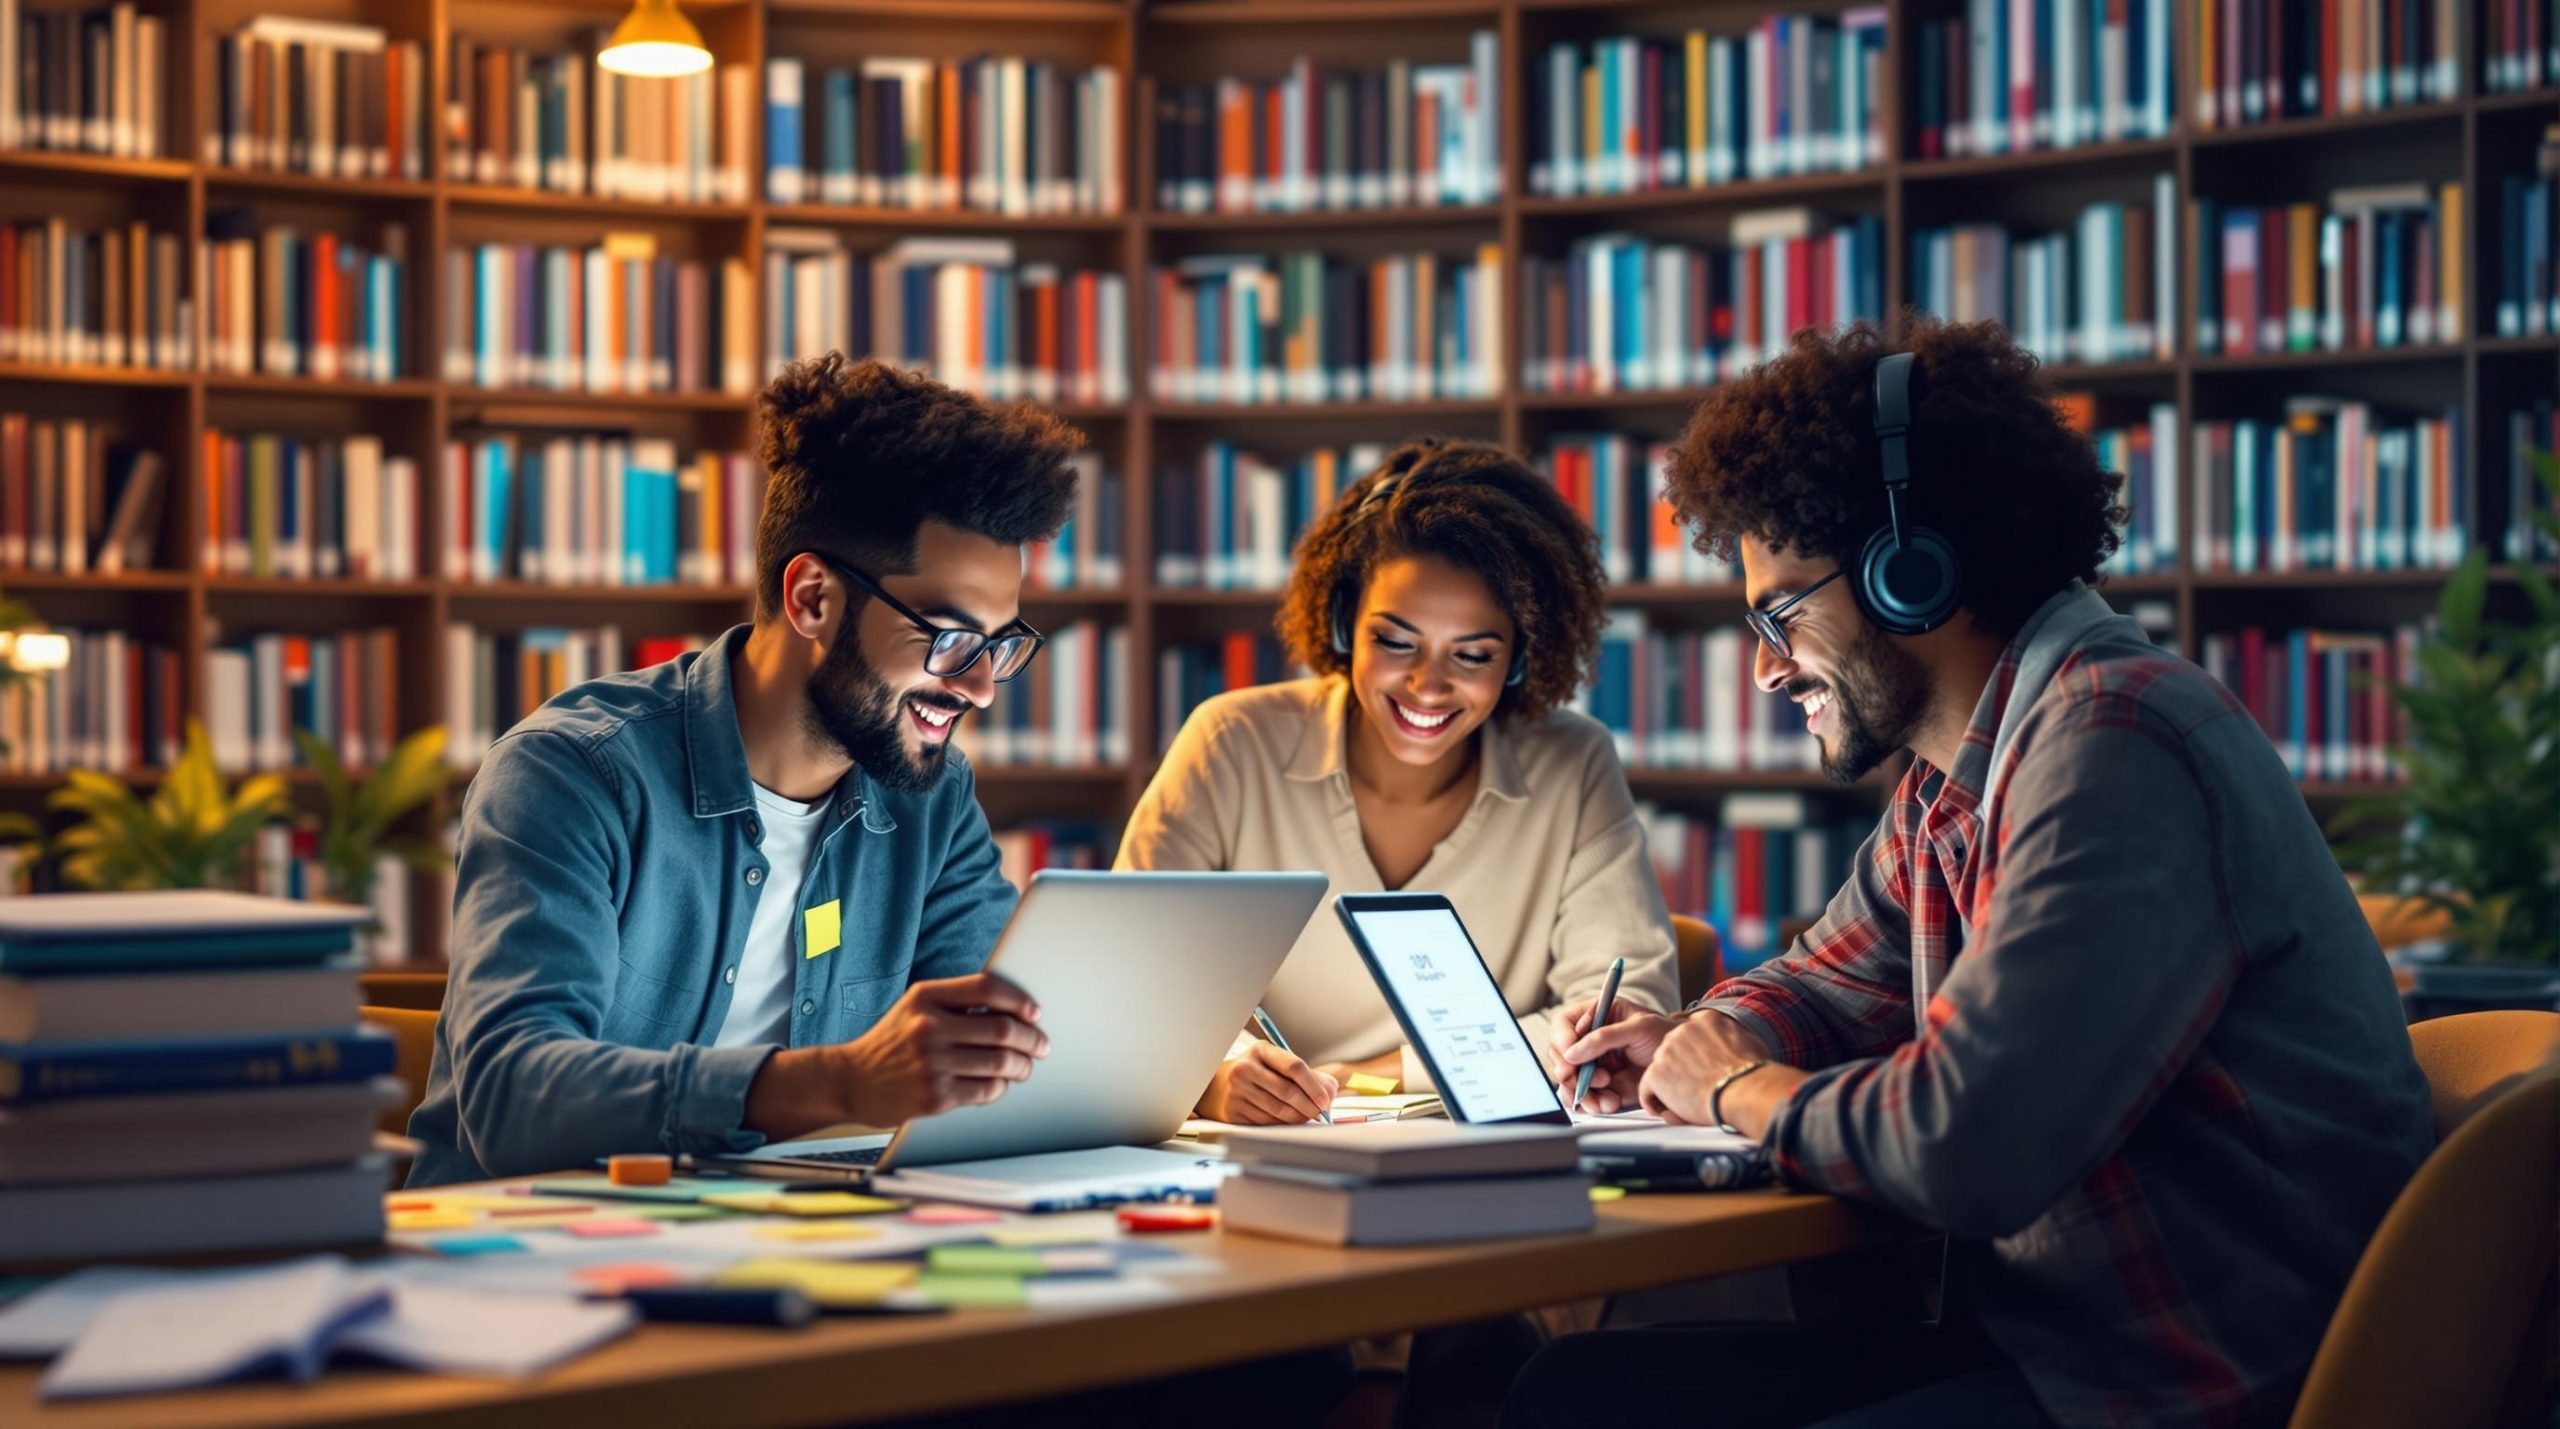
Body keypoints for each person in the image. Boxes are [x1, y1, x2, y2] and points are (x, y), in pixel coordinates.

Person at [1512, 319, 2435, 1429]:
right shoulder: (1955, 783)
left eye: (1780, 611)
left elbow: (1964, 1147)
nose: (1764, 667)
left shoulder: (2117, 742)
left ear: (1912, 568)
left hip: (2176, 1386)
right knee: (1574, 1391)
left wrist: (1733, 1088)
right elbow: (1818, 982)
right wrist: (1708, 1037)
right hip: (2049, 1350)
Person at [407, 355, 1077, 1186]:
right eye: (948, 638)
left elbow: (998, 1054)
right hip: (530, 1253)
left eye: (1002, 643)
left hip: (787, 1235)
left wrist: (1202, 1078)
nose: (980, 684)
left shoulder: (930, 801)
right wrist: (838, 1081)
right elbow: (512, 1098)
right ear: (812, 600)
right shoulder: (572, 774)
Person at [1117, 438, 1680, 1125]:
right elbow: (1132, 977)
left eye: (1473, 654)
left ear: (1523, 657)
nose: (1428, 685)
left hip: (1480, 1154)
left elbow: (1625, 1016)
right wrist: (1216, 1073)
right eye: (1395, 641)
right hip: (1258, 1155)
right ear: (1342, 621)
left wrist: (1385, 1074)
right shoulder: (1231, 743)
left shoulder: (1574, 763)